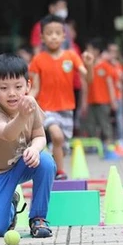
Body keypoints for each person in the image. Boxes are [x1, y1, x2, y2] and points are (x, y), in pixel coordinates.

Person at [0, 53, 56, 238]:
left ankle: (38, 218)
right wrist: (22, 115)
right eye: (3, 88)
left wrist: (35, 149)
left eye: (18, 87)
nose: (12, 93)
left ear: (28, 85)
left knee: (45, 161)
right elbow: (7, 133)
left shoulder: (31, 105)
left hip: (22, 164)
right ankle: (11, 206)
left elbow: (40, 136)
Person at [29, 15, 93, 180]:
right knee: (56, 136)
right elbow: (34, 87)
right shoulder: (37, 60)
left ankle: (54, 165)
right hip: (47, 109)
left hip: (67, 109)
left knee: (62, 145)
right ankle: (60, 172)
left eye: (58, 32)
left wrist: (89, 65)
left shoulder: (71, 56)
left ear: (64, 35)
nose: (54, 36)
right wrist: (27, 101)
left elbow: (88, 79)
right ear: (42, 37)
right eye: (49, 33)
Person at [81, 38, 118, 158]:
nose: (87, 51)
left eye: (89, 49)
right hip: (91, 101)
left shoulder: (105, 66)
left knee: (105, 123)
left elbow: (110, 84)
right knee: (90, 124)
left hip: (104, 101)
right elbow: (85, 86)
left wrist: (113, 101)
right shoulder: (86, 67)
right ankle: (94, 145)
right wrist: (84, 103)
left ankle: (108, 145)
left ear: (96, 51)